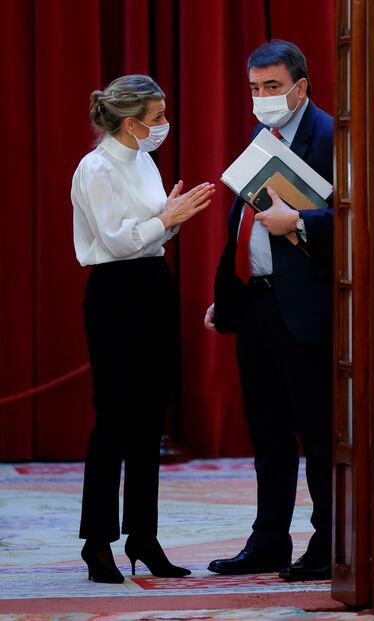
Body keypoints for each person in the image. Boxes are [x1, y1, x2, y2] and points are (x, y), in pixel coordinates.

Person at [71, 74, 215, 584]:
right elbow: (115, 242)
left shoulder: (144, 159)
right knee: (114, 418)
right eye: (156, 118)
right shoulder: (96, 168)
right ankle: (97, 542)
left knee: (152, 418)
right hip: (115, 292)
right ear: (131, 123)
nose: (163, 126)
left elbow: (150, 236)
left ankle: (144, 537)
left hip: (154, 283)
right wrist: (165, 218)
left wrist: (171, 217)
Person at [204, 40, 333, 582]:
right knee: (267, 432)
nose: (262, 99)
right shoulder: (264, 134)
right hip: (258, 302)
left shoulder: (330, 133)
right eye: (255, 89)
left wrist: (301, 223)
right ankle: (269, 539)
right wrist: (231, 293)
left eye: (273, 88)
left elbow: (357, 215)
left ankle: (330, 541)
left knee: (320, 433)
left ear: (300, 87)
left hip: (304, 305)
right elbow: (246, 219)